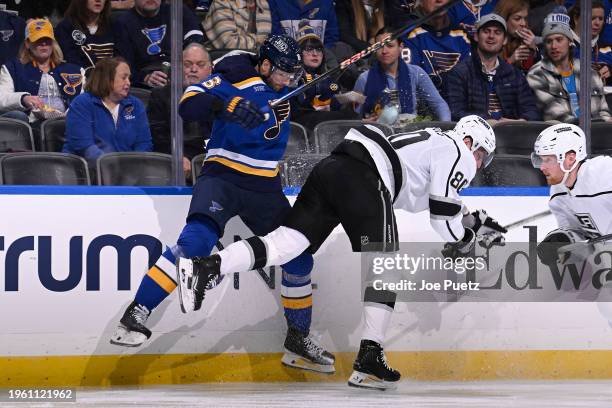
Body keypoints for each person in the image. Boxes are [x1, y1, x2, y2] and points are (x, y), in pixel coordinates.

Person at [176, 115, 507, 390]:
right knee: (386, 264)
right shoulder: (458, 152)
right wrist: (465, 239)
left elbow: (446, 202)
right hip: (367, 177)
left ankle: (208, 266)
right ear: (470, 142)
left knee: (286, 242)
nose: (478, 164)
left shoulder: (436, 141)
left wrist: (474, 223)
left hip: (335, 167)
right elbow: (441, 218)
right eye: (481, 156)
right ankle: (369, 358)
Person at [110, 35, 336, 375]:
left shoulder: (286, 82)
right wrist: (225, 106)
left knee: (299, 258)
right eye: (283, 72)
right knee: (195, 242)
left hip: (265, 187)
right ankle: (136, 314)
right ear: (264, 64)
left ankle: (298, 339)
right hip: (223, 177)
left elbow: (307, 97)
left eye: (293, 73)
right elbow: (189, 103)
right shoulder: (235, 70)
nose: (288, 79)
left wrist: (327, 89)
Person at [532, 124, 612, 281]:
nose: (542, 167)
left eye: (548, 159)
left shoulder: (604, 171)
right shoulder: (558, 193)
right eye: (540, 160)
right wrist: (562, 241)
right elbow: (582, 236)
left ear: (570, 159)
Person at [446, 14, 539, 123]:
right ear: (476, 36)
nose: (491, 36)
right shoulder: (459, 73)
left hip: (512, 133)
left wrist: (520, 121)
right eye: (486, 31)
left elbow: (532, 111)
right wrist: (488, 121)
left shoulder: (514, 75)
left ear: (504, 40)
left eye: (497, 32)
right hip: (476, 134)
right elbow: (455, 112)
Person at [62, 57, 152, 165]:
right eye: (124, 77)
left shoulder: (136, 105)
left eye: (129, 78)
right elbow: (84, 146)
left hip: (128, 174)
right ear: (107, 78)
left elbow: (144, 143)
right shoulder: (82, 103)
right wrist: (113, 168)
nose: (128, 82)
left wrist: (133, 168)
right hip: (87, 173)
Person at [354, 27, 450, 123]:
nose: (384, 51)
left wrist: (446, 128)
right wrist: (364, 122)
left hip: (412, 130)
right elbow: (355, 116)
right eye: (379, 47)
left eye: (390, 46)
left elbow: (438, 104)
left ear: (401, 47)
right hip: (378, 131)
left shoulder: (416, 73)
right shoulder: (364, 79)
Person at [527, 17, 612, 123]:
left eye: (559, 40)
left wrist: (606, 122)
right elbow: (556, 115)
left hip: (595, 133)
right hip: (562, 135)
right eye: (549, 41)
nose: (554, 46)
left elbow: (603, 112)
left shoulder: (588, 71)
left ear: (570, 42)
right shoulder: (536, 74)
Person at [0, 18, 85, 124]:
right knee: (17, 116)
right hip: (31, 123)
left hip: (67, 123)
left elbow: (85, 99)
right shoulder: (13, 68)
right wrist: (23, 98)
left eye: (47, 39)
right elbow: (1, 98)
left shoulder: (75, 70)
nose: (44, 43)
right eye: (38, 39)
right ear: (27, 43)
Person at [148, 43, 212, 178]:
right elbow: (157, 137)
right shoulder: (161, 96)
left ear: (210, 69)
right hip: (175, 163)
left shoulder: (221, 98)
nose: (193, 69)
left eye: (200, 65)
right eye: (187, 64)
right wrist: (176, 156)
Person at [115, 0, 204, 88]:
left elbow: (196, 44)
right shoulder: (123, 23)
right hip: (145, 84)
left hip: (181, 75)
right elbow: (125, 66)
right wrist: (145, 78)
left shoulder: (179, 11)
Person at [290, 26, 357, 129]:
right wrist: (321, 88)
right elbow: (301, 102)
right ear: (298, 54)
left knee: (351, 115)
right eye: (309, 49)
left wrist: (346, 98)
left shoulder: (326, 76)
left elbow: (329, 104)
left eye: (319, 49)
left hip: (322, 123)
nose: (315, 54)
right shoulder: (292, 75)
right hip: (302, 124)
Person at [403, 0, 471, 95]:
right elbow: (410, 79)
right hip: (423, 103)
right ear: (421, 3)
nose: (439, 1)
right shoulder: (410, 35)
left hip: (457, 103)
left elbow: (467, 80)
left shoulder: (463, 36)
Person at [55, 0, 119, 71]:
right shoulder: (66, 28)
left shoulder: (114, 25)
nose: (98, 0)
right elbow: (72, 63)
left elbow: (121, 60)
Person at [568, 1, 612, 83]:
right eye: (592, 18)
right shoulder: (561, 45)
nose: (597, 23)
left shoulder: (606, 47)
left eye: (601, 19)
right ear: (576, 19)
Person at [203, 0, 271, 51]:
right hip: (222, 63)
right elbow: (230, 45)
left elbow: (266, 46)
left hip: (255, 65)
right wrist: (259, 40)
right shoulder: (222, 3)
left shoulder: (264, 4)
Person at [494, 0, 540, 75]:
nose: (523, 23)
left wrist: (534, 51)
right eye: (517, 19)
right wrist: (511, 61)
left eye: (525, 18)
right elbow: (489, 79)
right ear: (504, 19)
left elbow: (534, 76)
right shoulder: (491, 41)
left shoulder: (524, 41)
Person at [268, 0, 339, 48]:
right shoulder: (275, 2)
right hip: (287, 64)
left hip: (320, 64)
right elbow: (275, 37)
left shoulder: (327, 3)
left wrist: (320, 56)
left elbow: (331, 38)